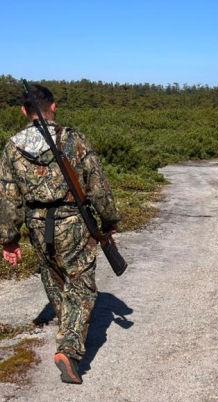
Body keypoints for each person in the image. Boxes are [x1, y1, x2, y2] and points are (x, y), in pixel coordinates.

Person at [0, 83, 121, 384]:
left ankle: (68, 328)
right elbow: (98, 184)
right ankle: (69, 347)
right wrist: (109, 220)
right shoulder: (73, 139)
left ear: (23, 111)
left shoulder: (12, 147)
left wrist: (9, 238)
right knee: (81, 286)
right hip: (74, 221)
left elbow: (7, 196)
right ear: (53, 108)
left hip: (38, 226)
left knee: (53, 277)